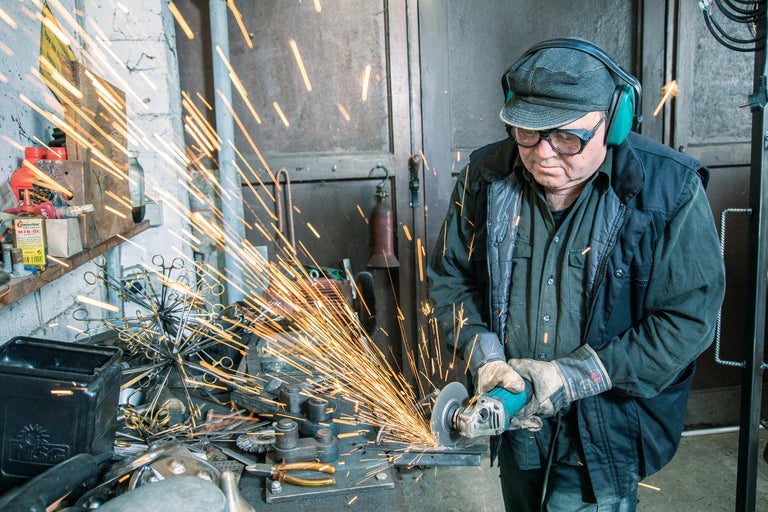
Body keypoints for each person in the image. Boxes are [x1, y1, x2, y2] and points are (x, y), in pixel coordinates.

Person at [426, 38, 726, 511]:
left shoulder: (669, 192)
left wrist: (576, 376)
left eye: (567, 138)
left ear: (615, 122)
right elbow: (450, 279)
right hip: (517, 432)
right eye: (527, 132)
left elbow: (687, 320)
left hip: (603, 439)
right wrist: (484, 357)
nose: (544, 153)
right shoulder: (486, 176)